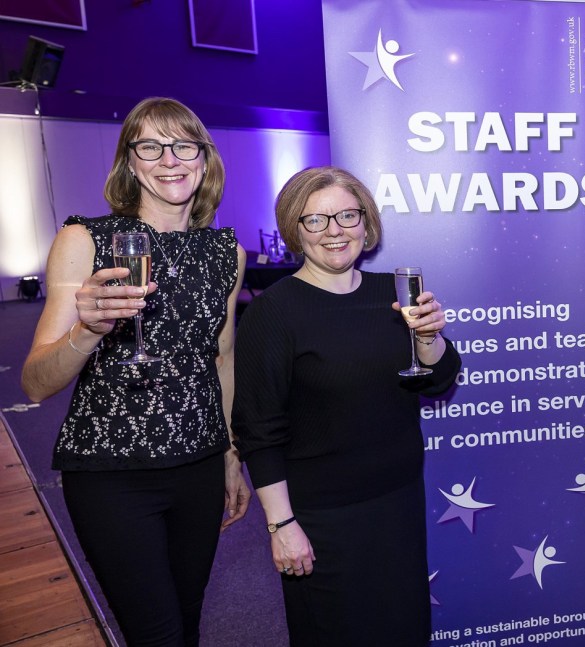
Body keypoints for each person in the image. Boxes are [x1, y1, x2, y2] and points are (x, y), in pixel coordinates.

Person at [20, 97, 250, 646]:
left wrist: (230, 453)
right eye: (150, 145)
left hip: (197, 465)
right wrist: (88, 330)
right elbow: (34, 383)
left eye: (183, 145)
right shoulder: (84, 241)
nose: (169, 159)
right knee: (157, 634)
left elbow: (222, 358)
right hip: (110, 473)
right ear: (129, 161)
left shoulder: (227, 253)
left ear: (204, 158)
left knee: (187, 619)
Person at [231, 166, 461, 645]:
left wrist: (430, 337)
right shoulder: (273, 313)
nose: (335, 231)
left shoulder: (393, 294)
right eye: (316, 220)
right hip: (321, 519)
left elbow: (438, 381)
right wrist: (282, 524)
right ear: (295, 229)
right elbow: (259, 430)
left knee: (403, 629)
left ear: (366, 222)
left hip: (397, 503)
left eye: (347, 216)